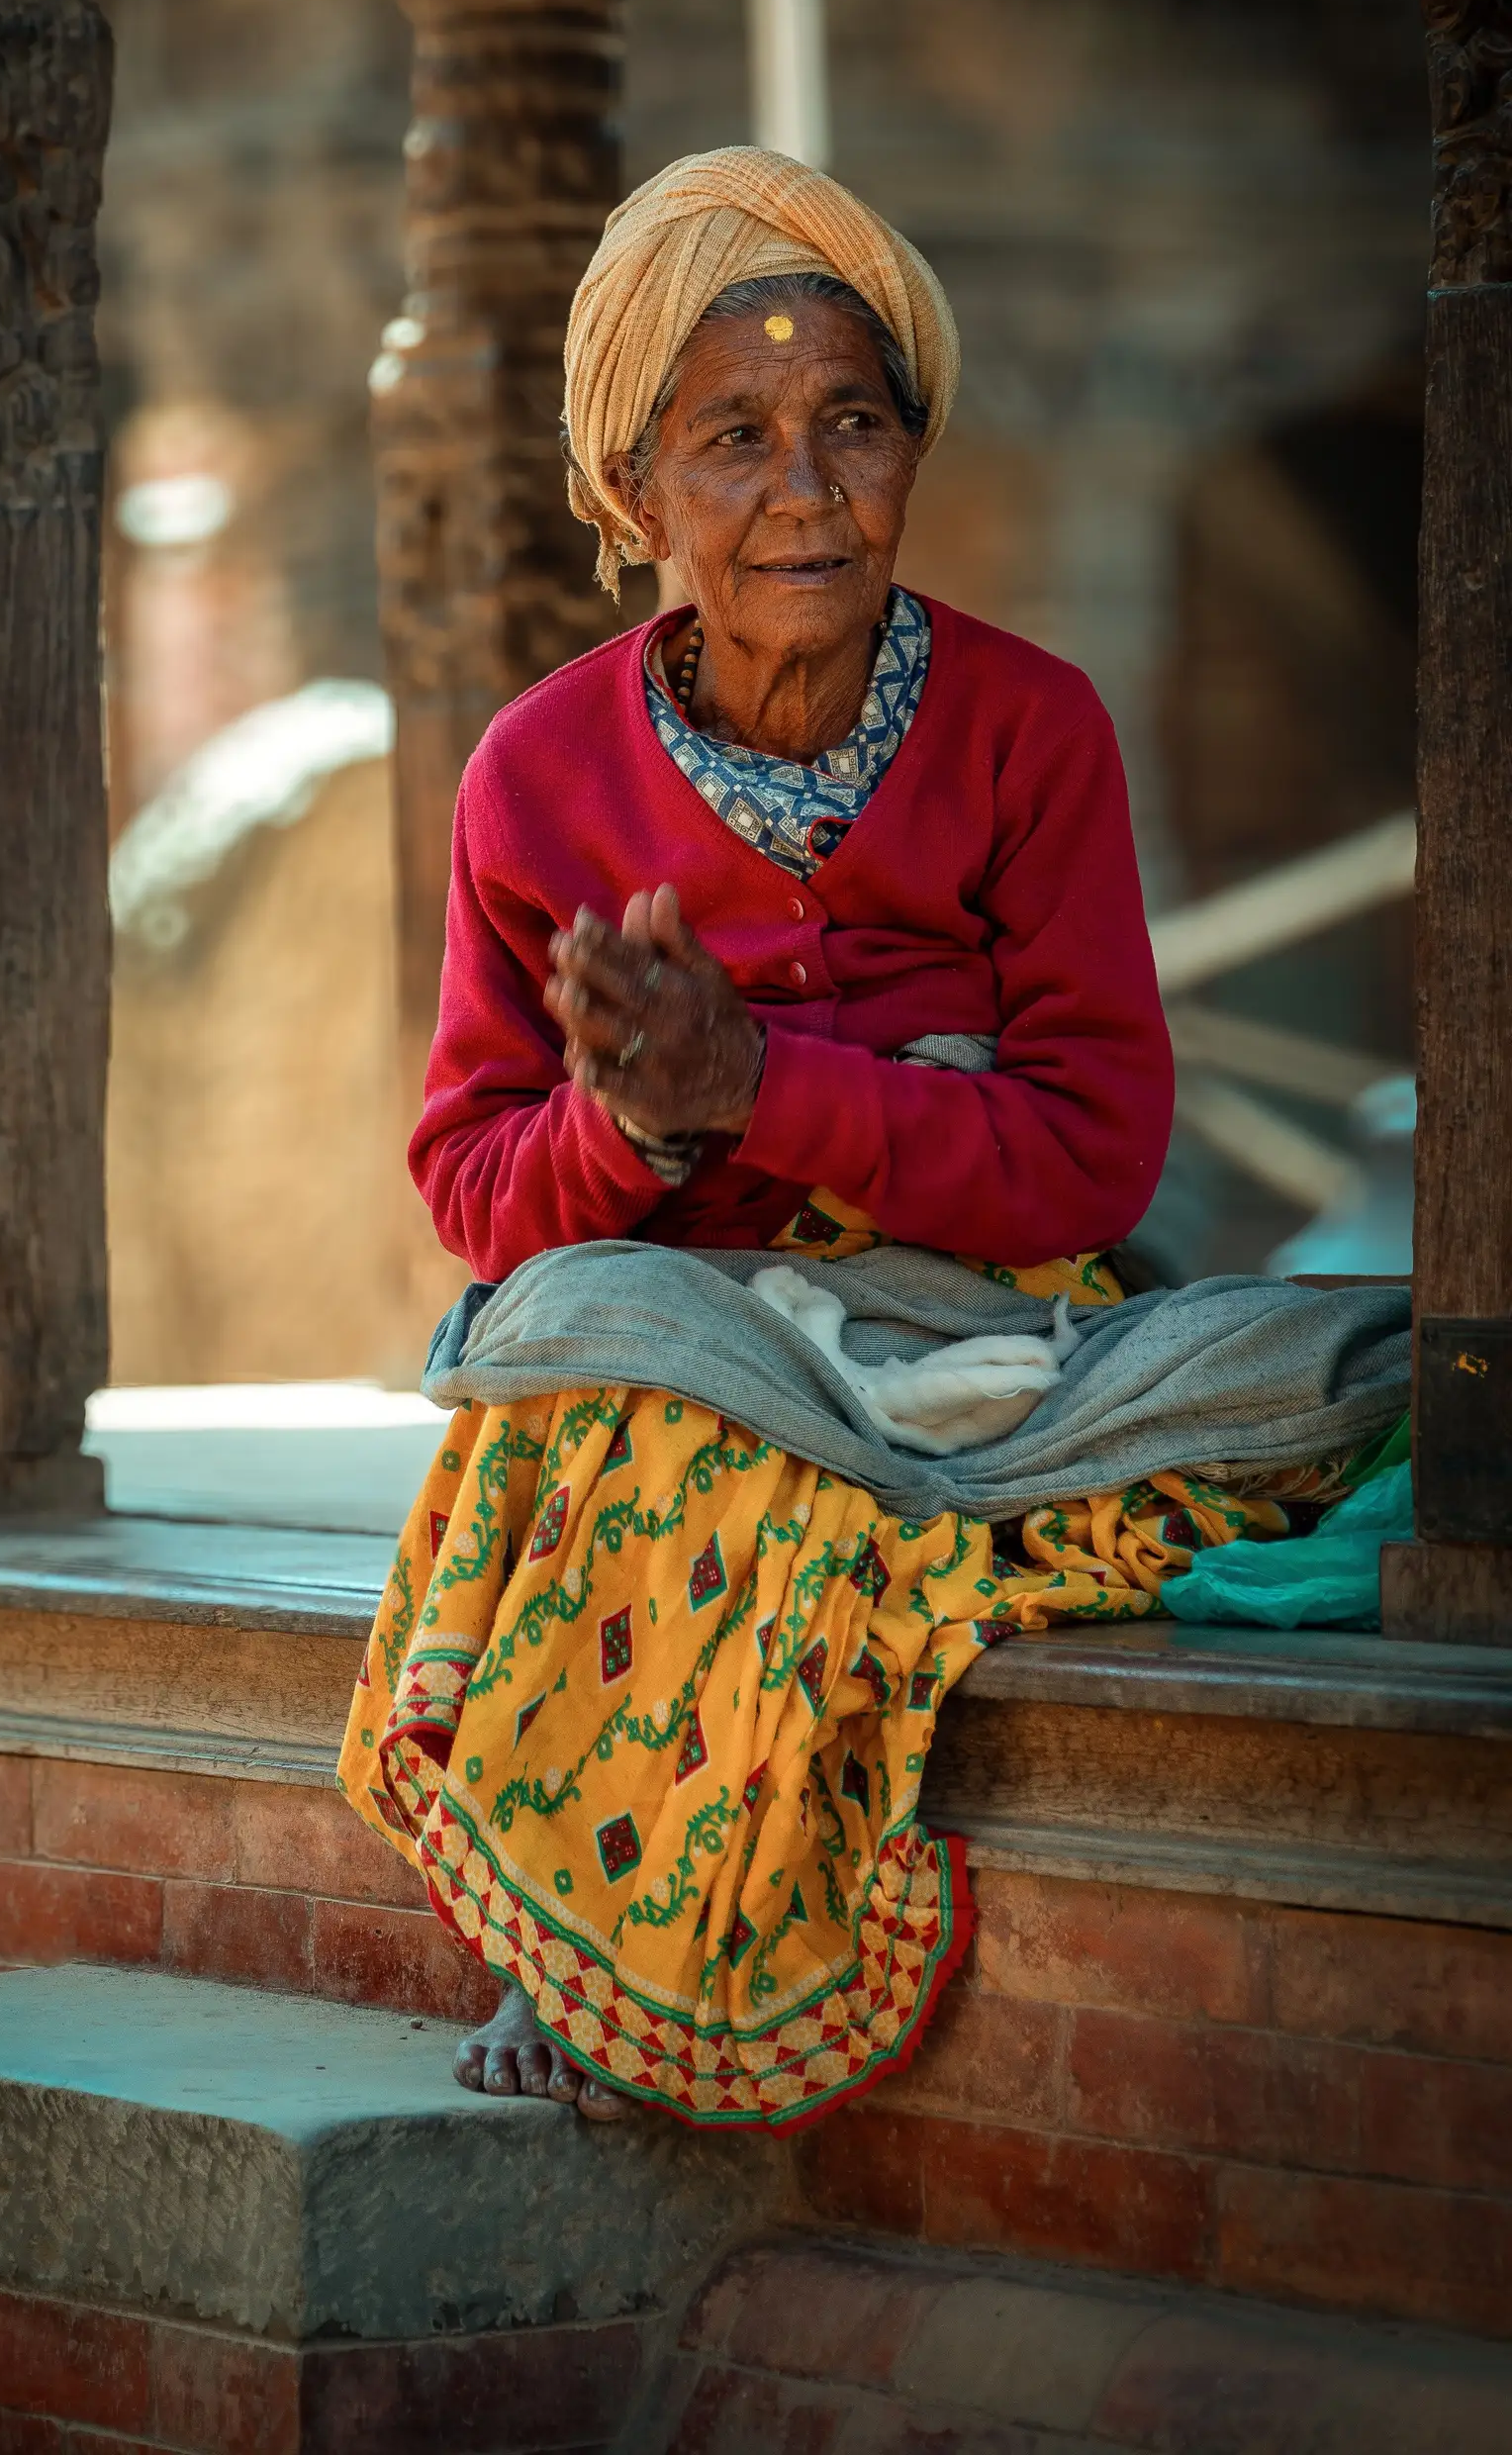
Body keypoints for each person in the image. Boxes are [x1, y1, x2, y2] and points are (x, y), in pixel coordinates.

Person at [337, 147, 1405, 2129]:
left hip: (970, 1315)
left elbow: (1088, 1157)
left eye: (853, 422)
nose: (806, 493)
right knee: (666, 1442)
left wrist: (771, 1091)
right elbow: (477, 1195)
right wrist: (641, 1130)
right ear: (633, 490)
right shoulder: (539, 773)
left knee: (1308, 1387)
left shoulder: (1031, 730)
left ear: (915, 452)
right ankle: (590, 1956)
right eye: (731, 437)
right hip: (668, 1328)